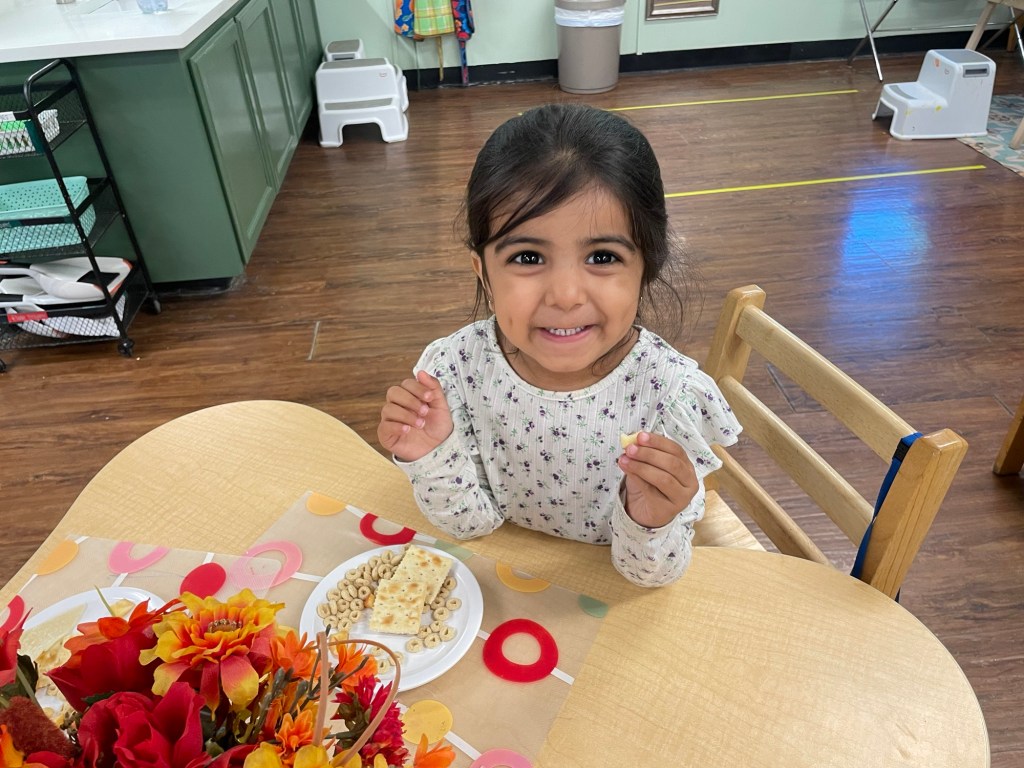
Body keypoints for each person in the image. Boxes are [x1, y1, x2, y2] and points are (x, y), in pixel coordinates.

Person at [377, 103, 740, 588]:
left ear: (646, 268)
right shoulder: (458, 371)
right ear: (482, 272)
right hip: (505, 578)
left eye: (602, 257)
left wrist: (650, 521)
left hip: (608, 590)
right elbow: (471, 526)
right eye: (528, 257)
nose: (565, 296)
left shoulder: (667, 397)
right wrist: (433, 458)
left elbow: (650, 577)